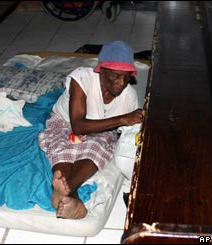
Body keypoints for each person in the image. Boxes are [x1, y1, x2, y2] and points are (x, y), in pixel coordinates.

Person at [38, 41, 143, 219]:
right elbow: (77, 126)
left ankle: (66, 193)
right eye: (116, 76)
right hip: (65, 122)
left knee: (99, 146)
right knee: (61, 145)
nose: (121, 83)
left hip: (102, 131)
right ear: (101, 70)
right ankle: (71, 197)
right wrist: (123, 119)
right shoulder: (82, 78)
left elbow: (126, 134)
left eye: (126, 78)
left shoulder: (129, 97)